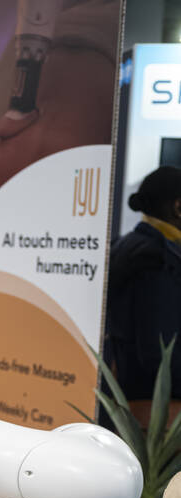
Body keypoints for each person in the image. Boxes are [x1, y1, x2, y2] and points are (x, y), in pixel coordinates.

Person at [106, 166, 181, 416]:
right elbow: (159, 350)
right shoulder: (160, 260)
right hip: (156, 408)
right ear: (178, 208)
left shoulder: (122, 245)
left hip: (124, 395)